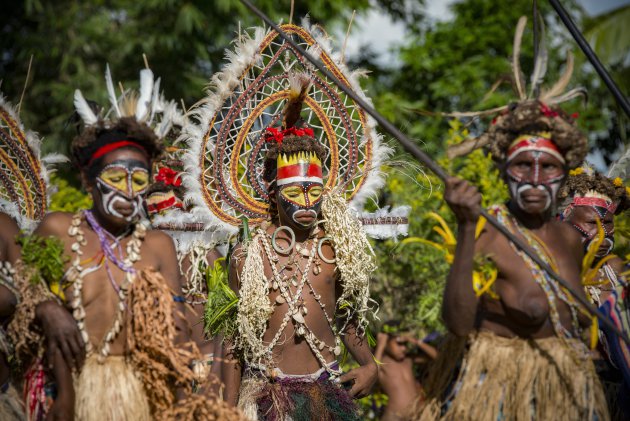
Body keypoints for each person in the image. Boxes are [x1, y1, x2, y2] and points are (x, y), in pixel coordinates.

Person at [9, 67, 241, 420]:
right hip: (69, 389)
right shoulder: (58, 228)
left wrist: (186, 405)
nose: (128, 191)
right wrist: (47, 308)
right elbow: (22, 287)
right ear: (88, 181)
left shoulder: (158, 245)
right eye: (115, 178)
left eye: (139, 179)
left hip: (138, 394)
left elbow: (174, 335)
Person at [415, 99, 609, 420]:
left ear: (563, 174)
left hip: (567, 391)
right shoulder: (487, 234)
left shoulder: (570, 238)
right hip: (502, 394)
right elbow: (457, 324)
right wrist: (465, 226)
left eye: (548, 167)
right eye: (522, 165)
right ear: (504, 170)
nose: (534, 178)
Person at [559, 167, 630, 419]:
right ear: (566, 217)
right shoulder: (554, 270)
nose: (601, 233)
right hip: (566, 391)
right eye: (591, 223)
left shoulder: (616, 270)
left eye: (607, 223)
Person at [375, 322, 436, 421]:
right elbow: (372, 372)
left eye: (405, 344)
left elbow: (436, 357)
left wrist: (416, 342)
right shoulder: (382, 362)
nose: (404, 348)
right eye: (399, 344)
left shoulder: (408, 360)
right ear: (386, 342)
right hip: (394, 416)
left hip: (418, 415)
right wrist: (381, 345)